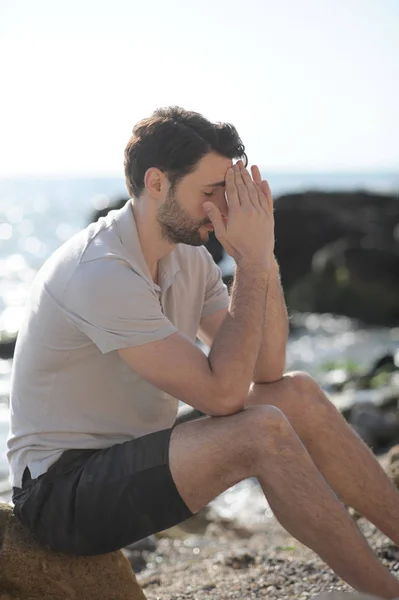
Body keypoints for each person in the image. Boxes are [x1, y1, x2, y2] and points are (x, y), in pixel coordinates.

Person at [7, 106, 399, 598]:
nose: (223, 206)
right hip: (63, 493)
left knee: (296, 394)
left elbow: (268, 368)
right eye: (209, 190)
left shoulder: (188, 256)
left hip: (135, 454)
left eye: (227, 188)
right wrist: (251, 264)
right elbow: (223, 396)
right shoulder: (102, 270)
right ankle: (387, 592)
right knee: (261, 431)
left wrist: (262, 254)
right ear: (156, 183)